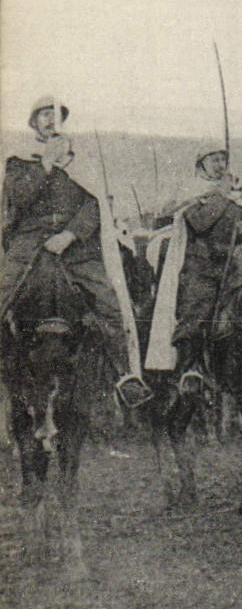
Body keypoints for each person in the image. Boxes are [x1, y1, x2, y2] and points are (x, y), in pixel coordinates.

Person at [0, 96, 150, 406]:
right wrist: (45, 162)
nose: (50, 120)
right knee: (4, 287)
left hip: (74, 246)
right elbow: (19, 197)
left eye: (55, 115)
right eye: (44, 115)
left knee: (109, 300)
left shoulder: (79, 163)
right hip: (30, 240)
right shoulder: (20, 161)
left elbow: (92, 205)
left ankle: (125, 375)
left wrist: (70, 234)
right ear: (34, 122)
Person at [145, 146, 242, 391]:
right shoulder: (192, 190)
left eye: (223, 159)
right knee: (197, 312)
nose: (220, 164)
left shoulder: (233, 196)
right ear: (201, 165)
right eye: (214, 160)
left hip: (233, 267)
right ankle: (188, 368)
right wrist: (222, 194)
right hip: (200, 265)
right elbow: (200, 222)